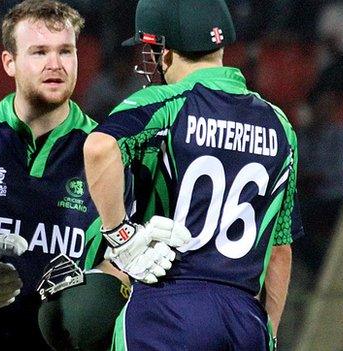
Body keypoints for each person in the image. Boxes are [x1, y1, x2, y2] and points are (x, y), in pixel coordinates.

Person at [0, 1, 187, 349]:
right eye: (39, 52)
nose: (55, 64)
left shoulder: (106, 152)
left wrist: (99, 284)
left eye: (65, 51)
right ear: (9, 62)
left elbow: (126, 261)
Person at [83, 0, 304, 350]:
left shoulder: (167, 102)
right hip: (244, 319)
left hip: (165, 307)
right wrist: (268, 333)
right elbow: (280, 249)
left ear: (165, 53)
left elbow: (98, 148)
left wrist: (121, 234)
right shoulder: (279, 124)